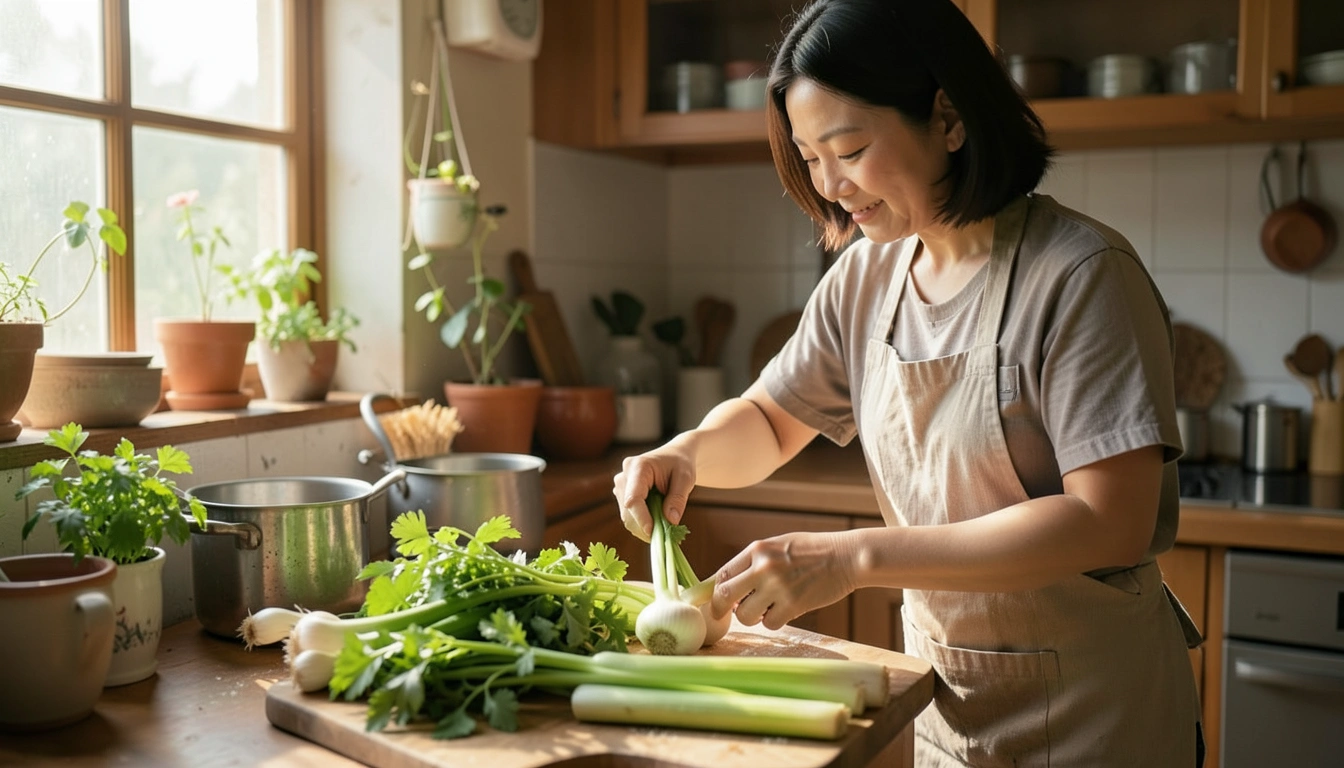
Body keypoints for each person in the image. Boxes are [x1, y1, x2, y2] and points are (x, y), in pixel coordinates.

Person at [611, 0, 1204, 765]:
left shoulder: (1082, 276)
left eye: (849, 149)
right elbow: (767, 419)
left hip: (1101, 718)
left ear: (948, 119)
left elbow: (1109, 520)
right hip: (950, 706)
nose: (829, 185)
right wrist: (687, 452)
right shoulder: (865, 277)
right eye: (809, 156)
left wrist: (854, 557)